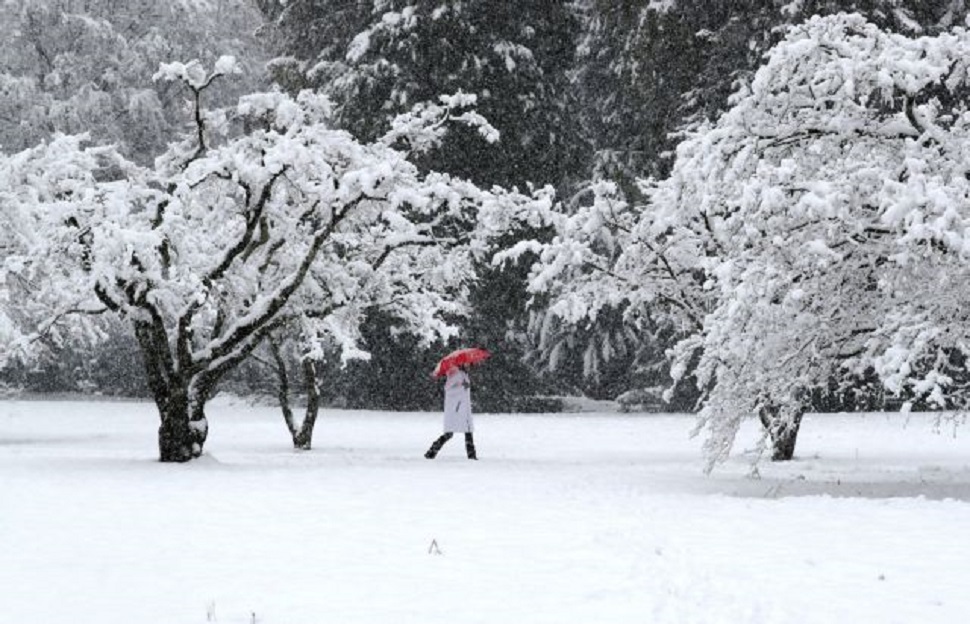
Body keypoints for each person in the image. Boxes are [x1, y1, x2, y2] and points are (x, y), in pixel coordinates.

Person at [424, 364, 477, 460]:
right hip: (456, 407)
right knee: (450, 433)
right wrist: (462, 386)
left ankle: (471, 455)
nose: (469, 365)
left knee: (467, 431)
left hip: (462, 407)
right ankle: (432, 451)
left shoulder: (463, 373)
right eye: (467, 364)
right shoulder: (456, 373)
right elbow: (448, 388)